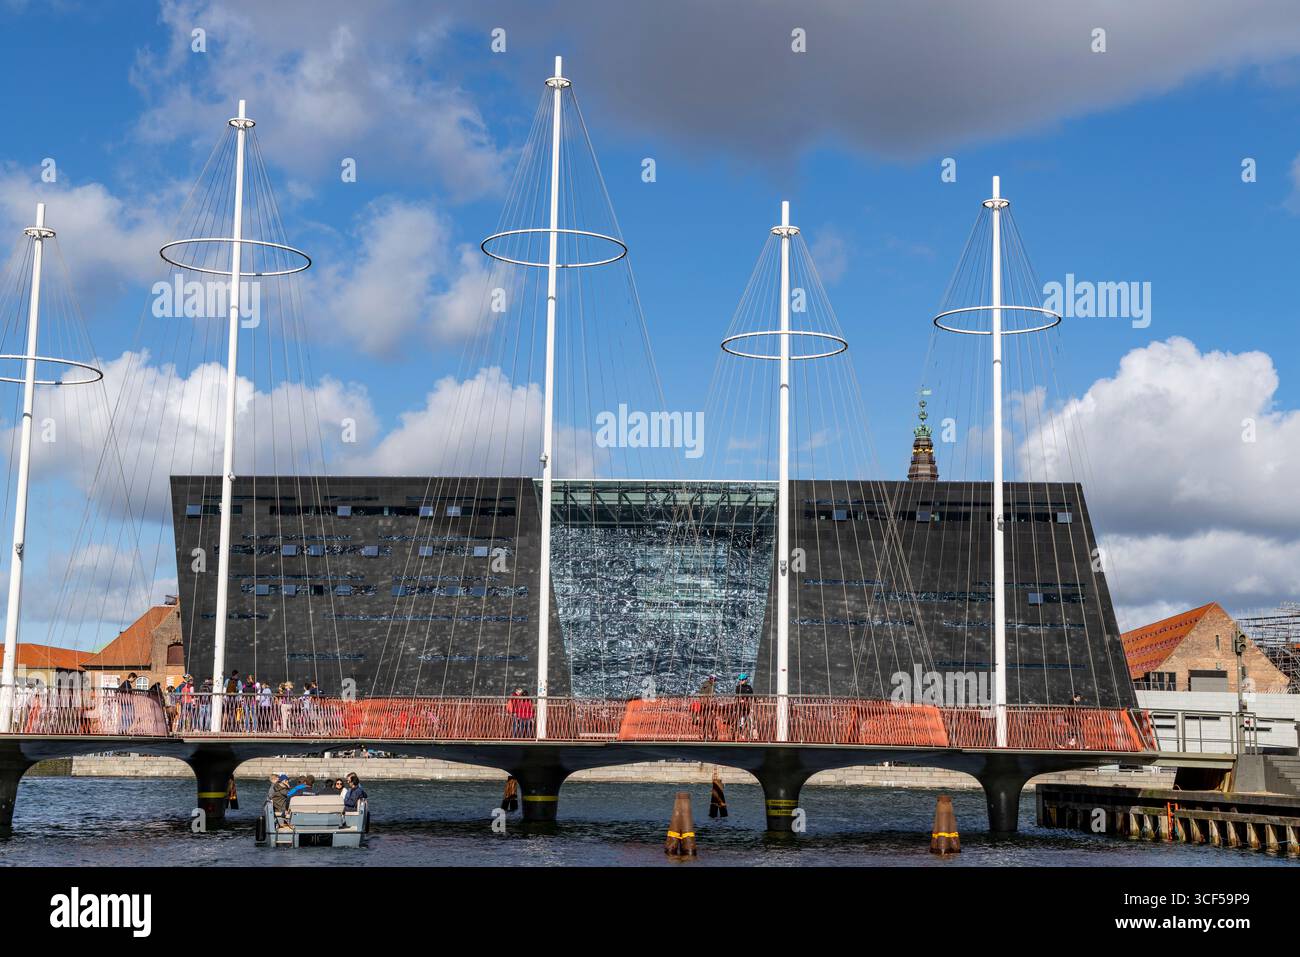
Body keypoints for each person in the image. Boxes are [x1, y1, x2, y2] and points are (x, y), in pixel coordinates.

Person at [734, 673, 755, 739]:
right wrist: (740, 700)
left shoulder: (749, 687)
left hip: (748, 707)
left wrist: (756, 701)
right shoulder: (738, 687)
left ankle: (750, 735)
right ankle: (742, 734)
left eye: (742, 679)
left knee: (750, 722)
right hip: (740, 707)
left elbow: (752, 696)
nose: (741, 681)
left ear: (746, 680)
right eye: (740, 679)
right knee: (742, 721)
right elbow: (737, 696)